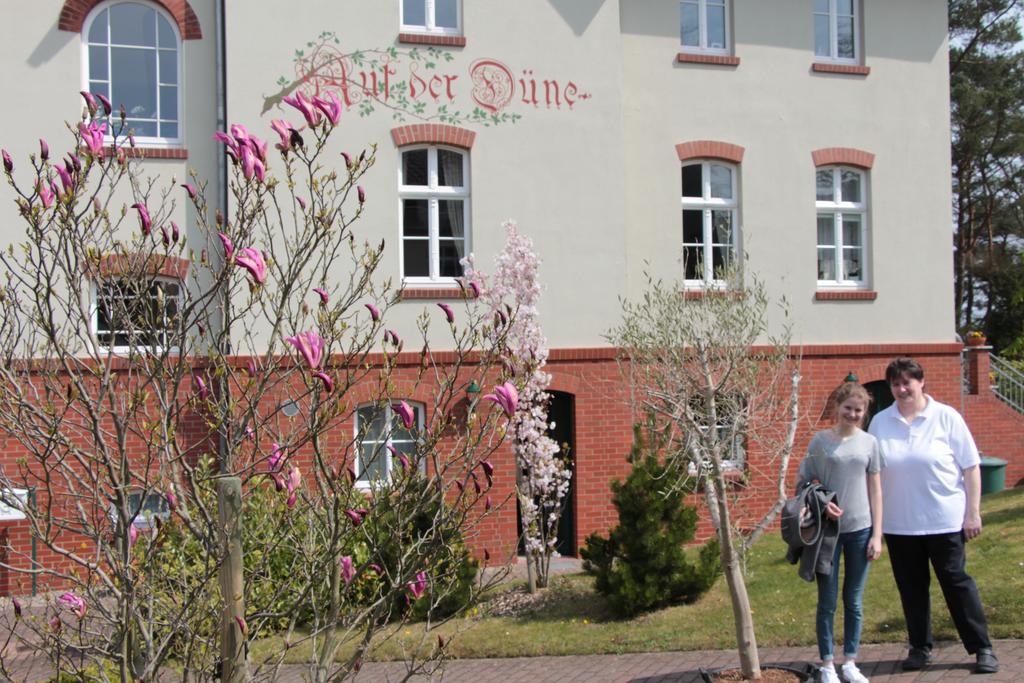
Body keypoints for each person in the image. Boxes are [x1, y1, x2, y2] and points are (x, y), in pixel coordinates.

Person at [868, 357, 998, 674]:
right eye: (895, 384)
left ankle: (982, 648)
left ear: (921, 382)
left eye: (906, 383)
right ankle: (920, 648)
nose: (901, 389)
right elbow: (871, 474)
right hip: (901, 525)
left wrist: (973, 513)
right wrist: (877, 525)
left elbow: (970, 467)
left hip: (945, 521)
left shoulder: (946, 417)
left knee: (957, 584)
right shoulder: (880, 422)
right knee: (912, 589)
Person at [798, 381, 883, 683]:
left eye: (859, 410)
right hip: (829, 533)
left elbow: (876, 489)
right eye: (848, 408)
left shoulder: (870, 443)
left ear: (865, 412)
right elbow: (806, 481)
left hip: (860, 529)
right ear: (837, 407)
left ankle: (850, 661)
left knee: (854, 600)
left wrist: (877, 534)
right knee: (828, 601)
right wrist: (822, 503)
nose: (854, 414)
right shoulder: (820, 442)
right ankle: (827, 664)